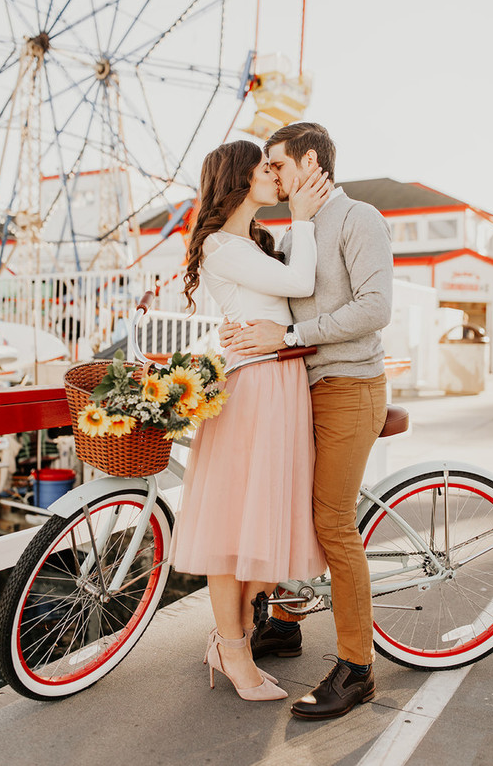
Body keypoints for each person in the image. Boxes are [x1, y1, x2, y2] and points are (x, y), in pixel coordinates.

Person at [220, 122, 393, 720]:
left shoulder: (359, 218)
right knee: (291, 506)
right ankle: (287, 625)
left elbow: (374, 309)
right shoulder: (298, 229)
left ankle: (357, 669)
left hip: (348, 385)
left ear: (309, 161)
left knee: (332, 523)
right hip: (302, 389)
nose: (270, 173)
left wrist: (289, 335)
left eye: (277, 163)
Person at [169, 139, 332, 702]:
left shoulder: (251, 243)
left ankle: (228, 640)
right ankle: (234, 654)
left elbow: (282, 304)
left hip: (276, 382)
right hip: (256, 387)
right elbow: (300, 285)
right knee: (233, 529)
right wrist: (305, 221)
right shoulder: (220, 245)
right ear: (238, 177)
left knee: (258, 534)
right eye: (265, 168)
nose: (274, 174)